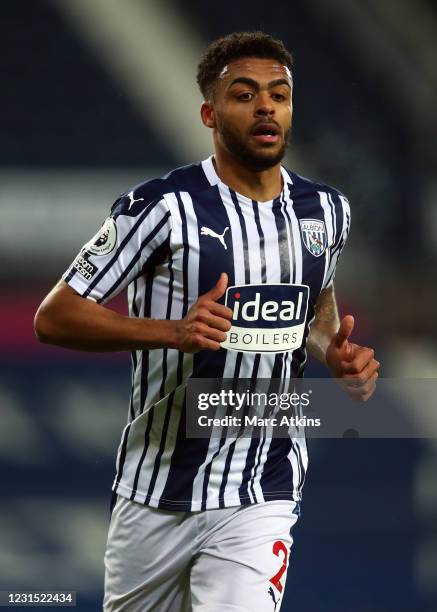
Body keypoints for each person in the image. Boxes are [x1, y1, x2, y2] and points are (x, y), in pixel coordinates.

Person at [34, 31, 379, 612]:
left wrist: (333, 351)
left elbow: (316, 302)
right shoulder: (161, 208)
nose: (266, 106)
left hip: (261, 485)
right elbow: (55, 316)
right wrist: (171, 331)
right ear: (210, 113)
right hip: (155, 490)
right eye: (244, 95)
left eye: (279, 94)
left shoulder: (326, 211)